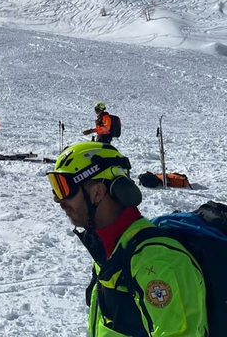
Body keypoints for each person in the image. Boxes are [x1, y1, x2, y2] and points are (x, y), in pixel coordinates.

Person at [47, 142, 207, 337]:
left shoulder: (157, 262)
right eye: (55, 186)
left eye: (64, 187)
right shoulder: (108, 249)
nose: (57, 199)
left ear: (97, 192)